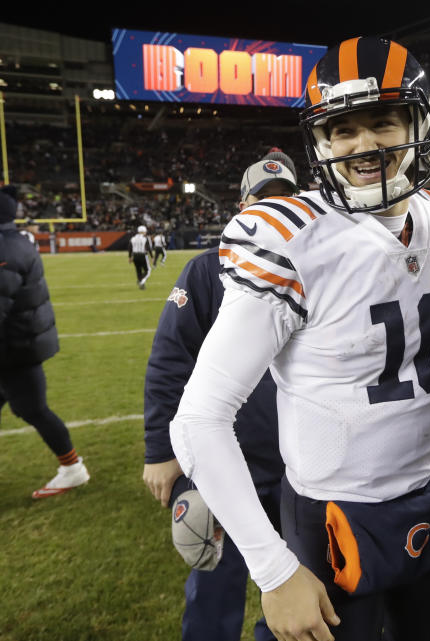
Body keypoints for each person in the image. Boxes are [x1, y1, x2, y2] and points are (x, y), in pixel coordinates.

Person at [169, 37, 430, 641]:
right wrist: (273, 572)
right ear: (321, 141)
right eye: (343, 129)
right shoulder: (290, 236)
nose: (364, 144)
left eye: (382, 122)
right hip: (332, 508)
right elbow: (197, 419)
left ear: (418, 124)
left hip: (427, 490)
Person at [143, 157, 299, 641]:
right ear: (243, 205)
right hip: (230, 462)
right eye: (262, 198)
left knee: (304, 587)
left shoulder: (323, 269)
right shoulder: (207, 271)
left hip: (307, 466)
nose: (273, 207)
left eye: (283, 197)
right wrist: (161, 450)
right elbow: (170, 361)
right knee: (214, 591)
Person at [0, 185, 90, 498]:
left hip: (12, 348)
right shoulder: (3, 242)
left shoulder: (2, 247)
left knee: (33, 410)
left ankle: (73, 468)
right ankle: (72, 468)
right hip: (6, 347)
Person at [129, 225, 154, 289]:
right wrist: (152, 257)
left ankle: (140, 281)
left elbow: (130, 248)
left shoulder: (133, 238)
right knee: (148, 271)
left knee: (138, 270)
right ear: (143, 231)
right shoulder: (145, 238)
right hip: (142, 255)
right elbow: (148, 248)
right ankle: (142, 282)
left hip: (135, 255)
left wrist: (130, 257)